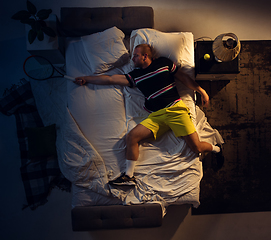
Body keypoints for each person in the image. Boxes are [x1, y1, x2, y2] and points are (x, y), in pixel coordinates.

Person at [75, 44, 221, 186]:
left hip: (175, 111)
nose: (132, 59)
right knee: (132, 137)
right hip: (156, 116)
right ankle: (128, 176)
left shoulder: (164, 63)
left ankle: (217, 149)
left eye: (135, 55)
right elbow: (110, 79)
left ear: (145, 56)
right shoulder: (135, 76)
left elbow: (184, 78)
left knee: (197, 148)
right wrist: (87, 79)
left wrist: (201, 90)